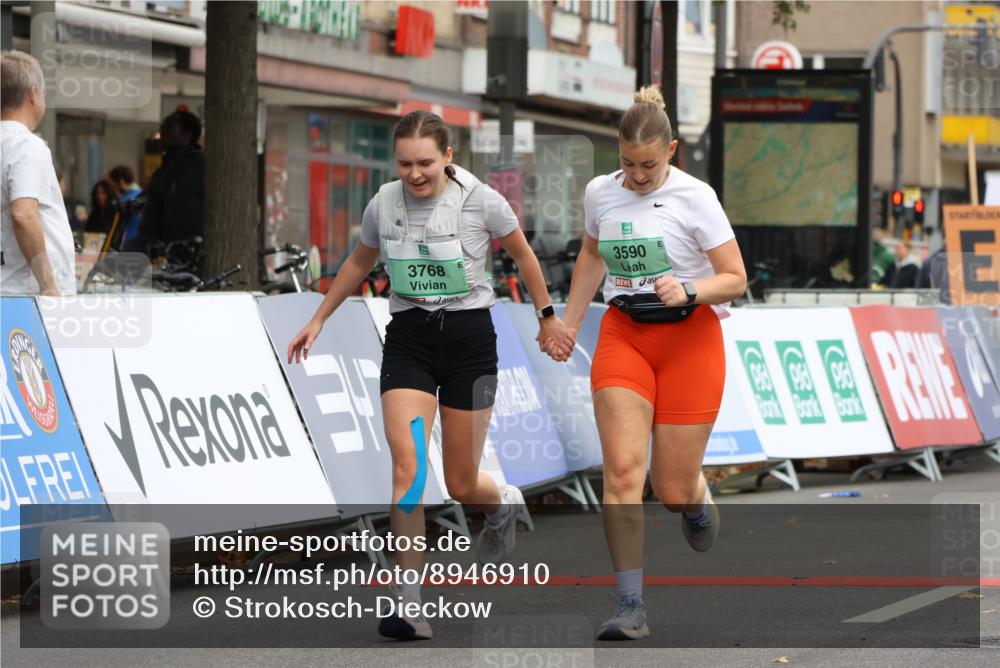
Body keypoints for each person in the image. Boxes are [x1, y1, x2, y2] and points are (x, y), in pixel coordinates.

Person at [287, 110, 574, 641]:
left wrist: (547, 318)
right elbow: (358, 261)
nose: (414, 174)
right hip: (410, 339)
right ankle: (410, 603)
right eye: (404, 164)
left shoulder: (481, 200)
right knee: (409, 466)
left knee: (463, 481)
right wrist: (318, 318)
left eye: (424, 163)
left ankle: (500, 504)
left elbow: (525, 257)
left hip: (469, 341)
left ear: (447, 156)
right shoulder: (384, 203)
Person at [546, 85, 746, 641]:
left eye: (649, 165)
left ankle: (695, 498)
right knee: (624, 473)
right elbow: (591, 253)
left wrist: (689, 287)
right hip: (625, 333)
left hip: (690, 339)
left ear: (673, 151)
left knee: (672, 488)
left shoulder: (696, 197)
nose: (636, 175)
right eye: (627, 163)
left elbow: (736, 277)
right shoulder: (600, 193)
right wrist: (567, 320)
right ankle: (629, 605)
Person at [0, 50, 76, 296]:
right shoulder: (25, 145)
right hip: (26, 297)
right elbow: (24, 216)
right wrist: (49, 285)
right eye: (44, 92)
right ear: (33, 94)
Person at [124, 110, 204, 259]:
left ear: (187, 135)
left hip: (192, 254)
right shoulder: (165, 171)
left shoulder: (201, 169)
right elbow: (149, 217)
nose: (162, 133)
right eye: (162, 128)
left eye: (169, 128)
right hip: (162, 252)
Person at [109, 165, 143, 248]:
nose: (113, 187)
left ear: (121, 181)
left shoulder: (123, 201)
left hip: (126, 245)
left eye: (114, 183)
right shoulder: (143, 196)